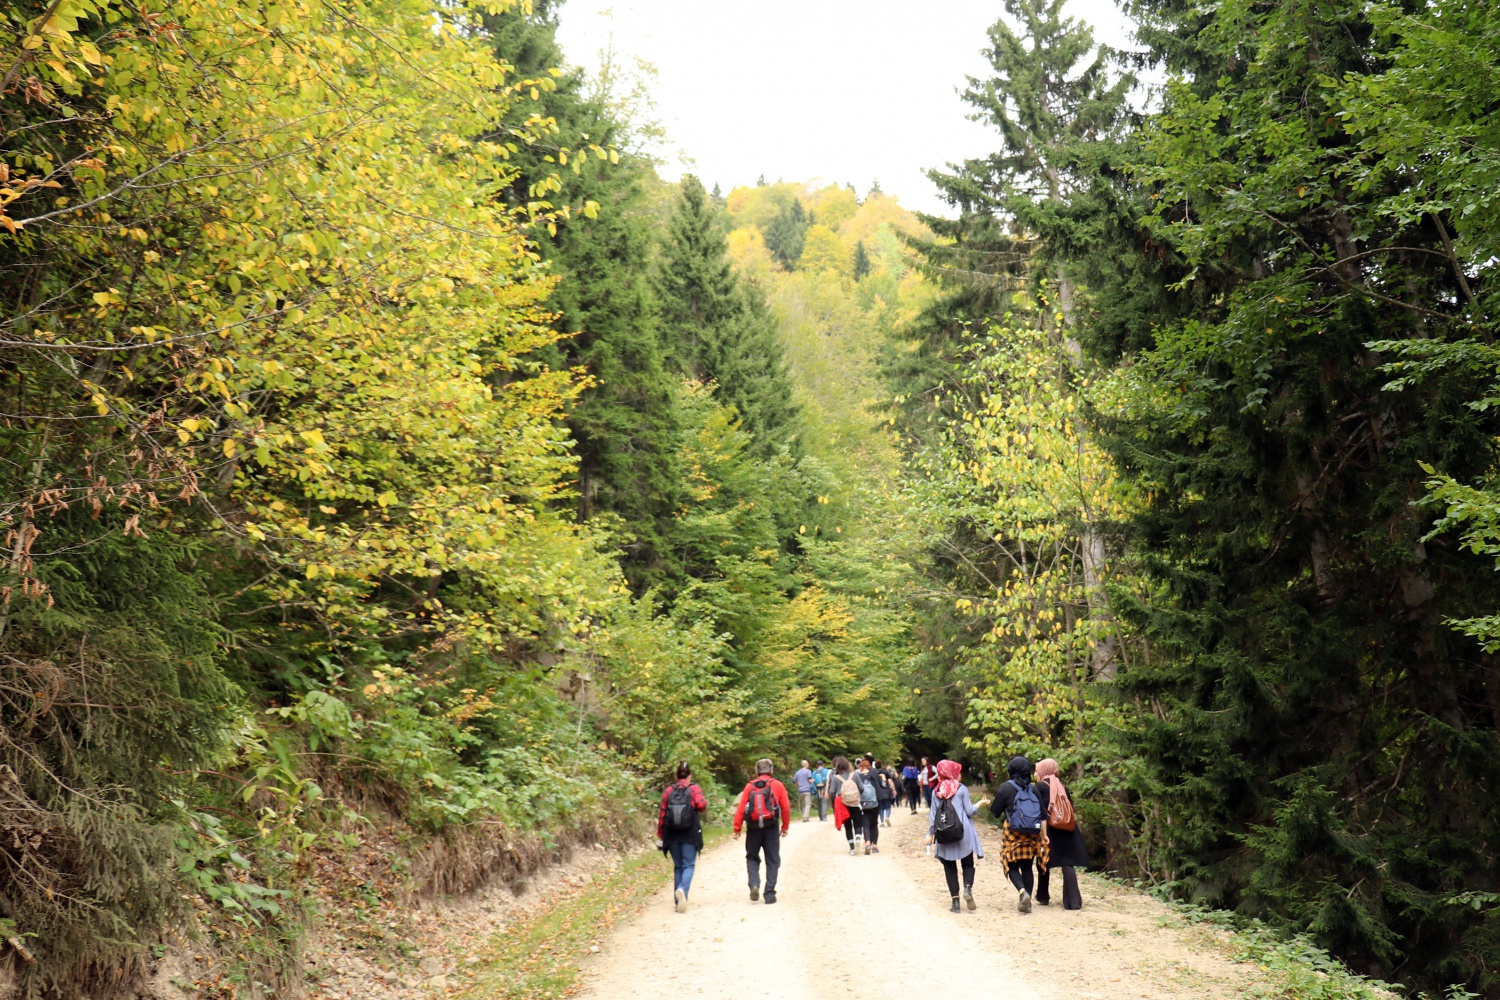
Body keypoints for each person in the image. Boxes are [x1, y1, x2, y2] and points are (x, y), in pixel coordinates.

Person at [989, 755, 1050, 913]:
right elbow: (1043, 815)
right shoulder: (1033, 789)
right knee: (1027, 866)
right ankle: (1027, 902)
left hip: (1013, 832)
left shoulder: (1006, 787)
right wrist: (1044, 835)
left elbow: (995, 812)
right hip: (1032, 833)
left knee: (1010, 863)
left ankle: (1022, 892)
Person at [926, 759, 988, 912]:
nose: (959, 774)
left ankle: (955, 902)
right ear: (951, 773)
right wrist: (979, 804)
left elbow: (933, 814)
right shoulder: (961, 789)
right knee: (967, 863)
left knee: (949, 866)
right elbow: (969, 811)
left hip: (944, 831)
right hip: (962, 831)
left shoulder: (936, 791)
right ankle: (967, 888)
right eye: (957, 771)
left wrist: (931, 833)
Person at [733, 758, 792, 903]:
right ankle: (769, 894)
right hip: (771, 827)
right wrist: (785, 826)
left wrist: (737, 828)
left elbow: (741, 808)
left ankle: (754, 884)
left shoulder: (750, 786)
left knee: (752, 857)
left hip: (753, 828)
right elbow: (785, 807)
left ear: (756, 771)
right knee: (773, 860)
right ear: (771, 771)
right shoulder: (777, 785)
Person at [1035, 758, 1088, 909]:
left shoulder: (1040, 787)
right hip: (1067, 827)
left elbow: (1038, 809)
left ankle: (1043, 896)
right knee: (1067, 863)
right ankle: (1073, 901)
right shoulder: (1063, 786)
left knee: (1043, 861)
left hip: (1049, 828)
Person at [657, 760, 708, 913]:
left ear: (676, 776)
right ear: (690, 775)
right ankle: (682, 890)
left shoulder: (668, 791)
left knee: (678, 866)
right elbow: (702, 806)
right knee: (689, 865)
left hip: (671, 834)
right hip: (689, 833)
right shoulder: (694, 789)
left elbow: (662, 815)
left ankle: (677, 900)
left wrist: (660, 835)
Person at [829, 756, 863, 855]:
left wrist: (837, 797)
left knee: (848, 826)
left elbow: (831, 792)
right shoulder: (855, 775)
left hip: (843, 804)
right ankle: (858, 838)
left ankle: (852, 848)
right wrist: (857, 795)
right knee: (858, 824)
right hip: (855, 803)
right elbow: (862, 788)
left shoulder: (836, 778)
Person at [875, 759, 897, 826]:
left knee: (881, 808)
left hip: (878, 791)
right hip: (887, 791)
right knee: (888, 806)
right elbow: (890, 782)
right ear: (881, 765)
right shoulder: (885, 772)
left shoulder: (874, 772)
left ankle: (882, 822)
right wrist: (894, 790)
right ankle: (887, 817)